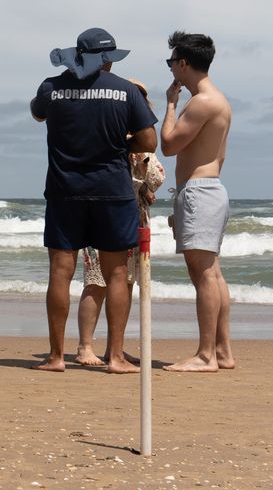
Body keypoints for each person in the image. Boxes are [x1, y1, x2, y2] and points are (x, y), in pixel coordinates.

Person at [30, 27, 157, 374]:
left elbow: (37, 113)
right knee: (116, 272)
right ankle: (115, 357)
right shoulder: (125, 91)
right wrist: (119, 146)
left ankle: (57, 357)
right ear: (106, 60)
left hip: (64, 189)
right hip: (111, 191)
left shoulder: (52, 86)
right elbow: (149, 140)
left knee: (60, 271)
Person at [75, 79, 166, 366]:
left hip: (132, 218)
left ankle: (115, 346)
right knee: (96, 282)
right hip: (104, 211)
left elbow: (156, 180)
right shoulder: (107, 137)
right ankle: (85, 346)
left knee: (123, 283)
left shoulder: (143, 146)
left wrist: (141, 163)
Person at [160, 31, 234, 372]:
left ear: (183, 63)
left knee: (203, 273)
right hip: (207, 190)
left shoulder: (202, 101)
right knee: (212, 273)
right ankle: (221, 351)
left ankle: (206, 355)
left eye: (171, 61)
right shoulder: (217, 98)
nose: (171, 67)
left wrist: (171, 105)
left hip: (200, 192)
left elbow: (170, 145)